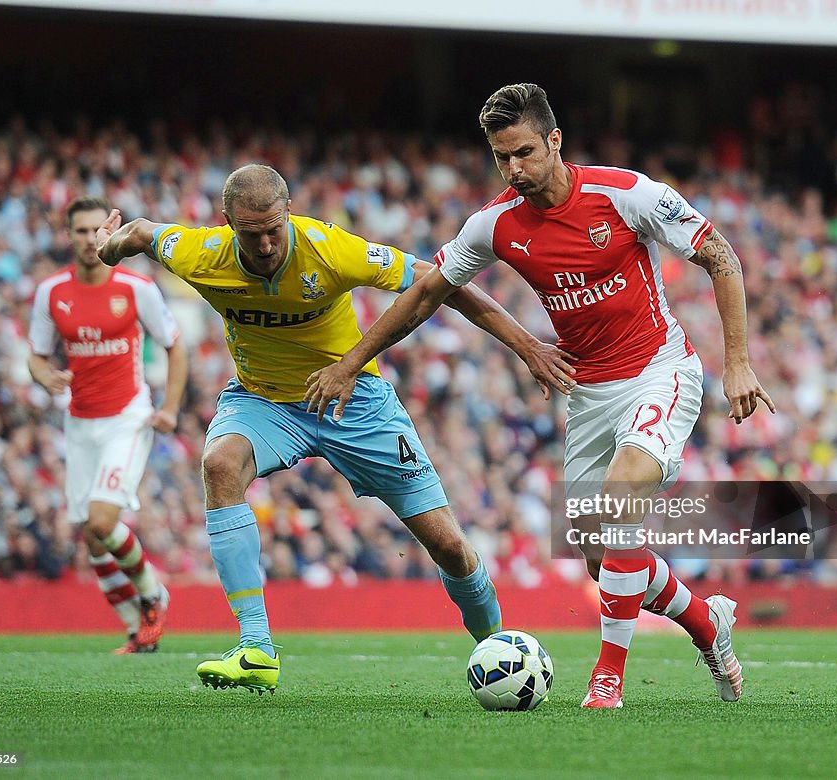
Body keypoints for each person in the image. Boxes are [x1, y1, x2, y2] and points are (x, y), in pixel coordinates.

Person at [305, 83, 776, 709]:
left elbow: (719, 255)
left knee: (619, 505)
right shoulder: (495, 224)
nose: (514, 169)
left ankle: (608, 676)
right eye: (502, 157)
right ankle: (705, 625)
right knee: (599, 559)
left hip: (660, 371)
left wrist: (737, 362)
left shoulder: (626, 193)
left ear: (555, 141)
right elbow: (427, 293)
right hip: (587, 394)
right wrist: (351, 363)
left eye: (525, 152)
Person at [95, 163, 572, 694]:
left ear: (290, 211)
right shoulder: (199, 252)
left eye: (275, 227)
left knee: (450, 548)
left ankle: (497, 646)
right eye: (251, 234)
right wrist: (107, 249)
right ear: (227, 223)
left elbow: (442, 284)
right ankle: (255, 648)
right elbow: (139, 234)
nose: (267, 243)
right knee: (219, 463)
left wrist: (527, 345)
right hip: (266, 401)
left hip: (356, 402)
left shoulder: (330, 248)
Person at [28, 196, 188, 654]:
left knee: (101, 520)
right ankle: (137, 628)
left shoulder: (136, 289)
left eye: (96, 229)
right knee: (93, 538)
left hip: (127, 418)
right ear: (68, 235)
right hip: (79, 423)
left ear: (109, 232)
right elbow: (36, 357)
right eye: (79, 230)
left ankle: (154, 594)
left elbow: (176, 346)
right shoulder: (52, 292)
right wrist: (46, 377)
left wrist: (171, 407)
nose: (87, 238)